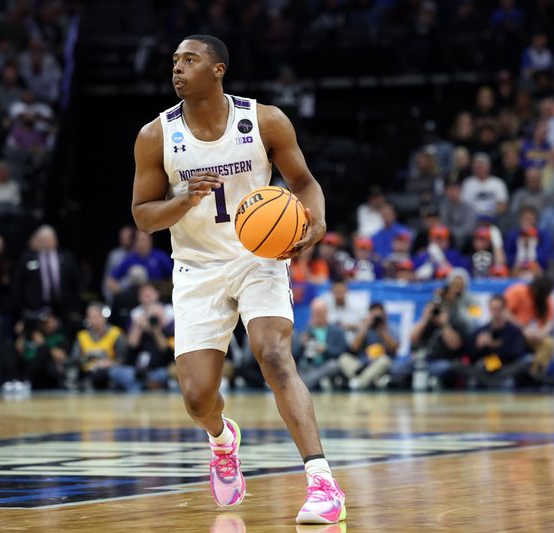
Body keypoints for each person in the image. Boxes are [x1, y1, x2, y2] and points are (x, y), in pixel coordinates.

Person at [130, 35, 345, 523]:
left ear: (219, 70)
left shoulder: (264, 119)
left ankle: (323, 483)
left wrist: (316, 220)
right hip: (196, 266)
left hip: (259, 257)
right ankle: (222, 441)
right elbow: (143, 216)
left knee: (274, 356)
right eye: (175, 62)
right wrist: (182, 202)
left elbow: (305, 182)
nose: (179, 69)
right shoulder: (155, 136)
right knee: (197, 396)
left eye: (191, 60)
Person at [504, 275, 554, 380]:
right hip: (515, 332)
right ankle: (515, 374)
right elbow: (505, 313)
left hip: (535, 335)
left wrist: (541, 333)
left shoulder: (546, 298)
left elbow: (549, 322)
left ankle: (536, 374)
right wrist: (523, 329)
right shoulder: (518, 291)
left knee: (549, 343)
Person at [339, 302, 399, 390]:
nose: (376, 318)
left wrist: (382, 331)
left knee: (384, 360)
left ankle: (359, 383)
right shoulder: (364, 328)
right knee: (343, 358)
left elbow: (394, 348)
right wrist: (364, 327)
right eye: (373, 315)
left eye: (379, 316)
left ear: (384, 315)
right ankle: (369, 380)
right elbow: (353, 348)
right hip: (362, 366)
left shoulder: (390, 328)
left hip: (380, 364)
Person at [292, 299, 350, 391]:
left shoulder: (336, 331)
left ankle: (305, 383)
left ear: (326, 313)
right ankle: (313, 382)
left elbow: (342, 351)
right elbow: (294, 355)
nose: (318, 316)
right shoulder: (304, 331)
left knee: (333, 365)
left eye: (320, 313)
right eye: (315, 313)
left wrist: (325, 349)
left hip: (324, 366)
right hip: (305, 367)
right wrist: (301, 344)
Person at [71, 302, 128, 390]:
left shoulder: (116, 333)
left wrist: (110, 363)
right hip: (87, 372)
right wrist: (86, 359)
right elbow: (74, 358)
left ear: (104, 317)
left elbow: (122, 358)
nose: (94, 320)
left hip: (108, 372)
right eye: (91, 317)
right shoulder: (82, 336)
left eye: (97, 317)